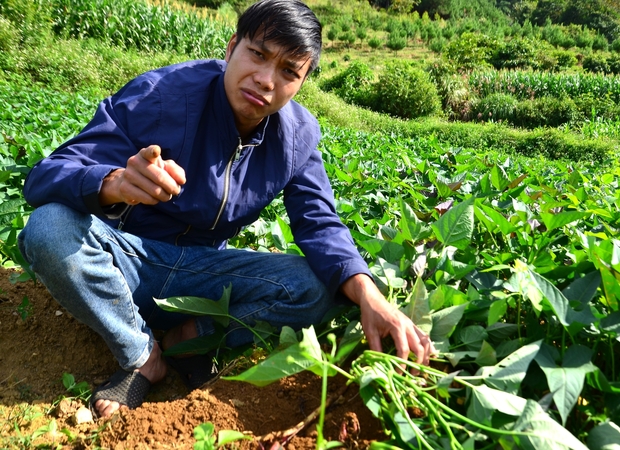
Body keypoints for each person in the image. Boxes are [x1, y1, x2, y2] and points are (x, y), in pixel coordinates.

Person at [18, 0, 433, 419]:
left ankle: (191, 336)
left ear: (302, 82)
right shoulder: (161, 94)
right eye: (258, 54)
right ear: (232, 46)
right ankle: (143, 355)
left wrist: (369, 293)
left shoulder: (298, 137)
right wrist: (114, 184)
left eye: (289, 71)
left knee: (320, 287)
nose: (266, 80)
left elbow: (319, 222)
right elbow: (46, 175)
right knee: (50, 228)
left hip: (203, 275)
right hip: (127, 263)